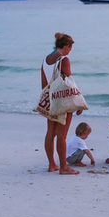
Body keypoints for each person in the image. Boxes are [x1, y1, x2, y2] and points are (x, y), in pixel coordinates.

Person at [42, 33, 82, 175]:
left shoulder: (46, 59)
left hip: (49, 100)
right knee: (62, 135)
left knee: (50, 133)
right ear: (66, 46)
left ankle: (52, 165)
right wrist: (78, 103)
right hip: (62, 102)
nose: (70, 51)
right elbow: (70, 84)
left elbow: (43, 83)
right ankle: (64, 167)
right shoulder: (64, 60)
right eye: (70, 48)